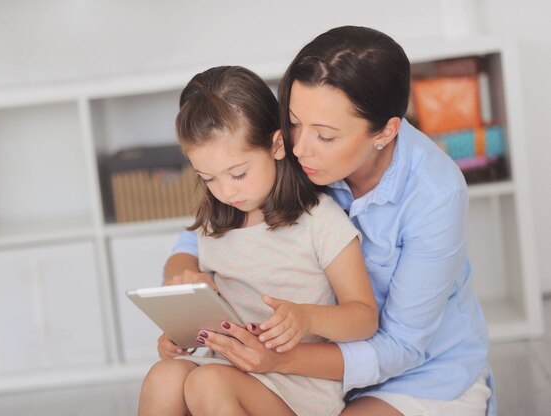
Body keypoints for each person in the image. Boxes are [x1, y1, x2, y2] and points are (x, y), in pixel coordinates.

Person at [163, 26, 496, 416]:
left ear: (385, 132)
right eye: (293, 122)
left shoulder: (436, 195)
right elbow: (203, 237)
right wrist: (186, 289)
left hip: (417, 374)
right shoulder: (289, 151)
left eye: (325, 135)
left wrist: (278, 358)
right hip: (299, 369)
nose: (299, 147)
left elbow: (401, 347)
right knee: (180, 383)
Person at [138, 65, 378, 416]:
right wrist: (181, 336)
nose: (225, 191)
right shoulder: (215, 226)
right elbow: (189, 274)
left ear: (277, 145)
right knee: (164, 376)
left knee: (208, 383)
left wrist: (307, 318)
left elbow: (364, 317)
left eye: (238, 174)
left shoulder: (319, 220)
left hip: (295, 386)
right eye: (209, 179)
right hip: (228, 366)